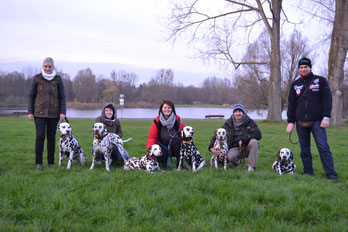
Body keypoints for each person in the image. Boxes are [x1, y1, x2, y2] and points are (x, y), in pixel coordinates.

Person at [286, 57, 337, 180]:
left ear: (310, 67)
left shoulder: (321, 81)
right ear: (299, 69)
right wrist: (290, 122)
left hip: (317, 121)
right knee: (304, 149)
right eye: (301, 67)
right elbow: (291, 104)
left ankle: (331, 174)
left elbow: (327, 100)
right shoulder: (295, 85)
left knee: (323, 147)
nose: (303, 69)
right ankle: (308, 173)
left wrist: (326, 117)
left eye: (305, 67)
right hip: (300, 122)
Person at [28, 57, 66, 168]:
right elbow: (31, 96)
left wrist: (62, 111)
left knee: (51, 137)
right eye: (45, 66)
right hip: (39, 113)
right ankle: (38, 163)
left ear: (53, 67)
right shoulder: (37, 79)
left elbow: (62, 97)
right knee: (40, 137)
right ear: (43, 67)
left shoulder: (58, 79)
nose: (47, 68)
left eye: (50, 66)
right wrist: (30, 112)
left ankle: (51, 163)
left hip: (54, 114)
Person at [208, 104, 262, 172]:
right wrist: (210, 147)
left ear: (243, 112)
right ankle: (237, 164)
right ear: (233, 113)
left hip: (247, 147)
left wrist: (244, 139)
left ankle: (251, 168)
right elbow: (217, 134)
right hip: (235, 148)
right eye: (236, 111)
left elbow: (258, 134)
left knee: (254, 142)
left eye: (240, 111)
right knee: (230, 156)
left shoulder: (249, 122)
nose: (238, 113)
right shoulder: (229, 123)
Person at [146, 100, 185, 168]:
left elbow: (184, 134)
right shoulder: (157, 121)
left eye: (169, 108)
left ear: (172, 109)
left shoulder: (177, 119)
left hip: (175, 146)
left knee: (178, 140)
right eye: (165, 107)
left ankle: (179, 164)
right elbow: (152, 138)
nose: (167, 109)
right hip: (162, 146)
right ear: (161, 109)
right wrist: (150, 152)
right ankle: (163, 163)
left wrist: (188, 144)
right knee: (160, 156)